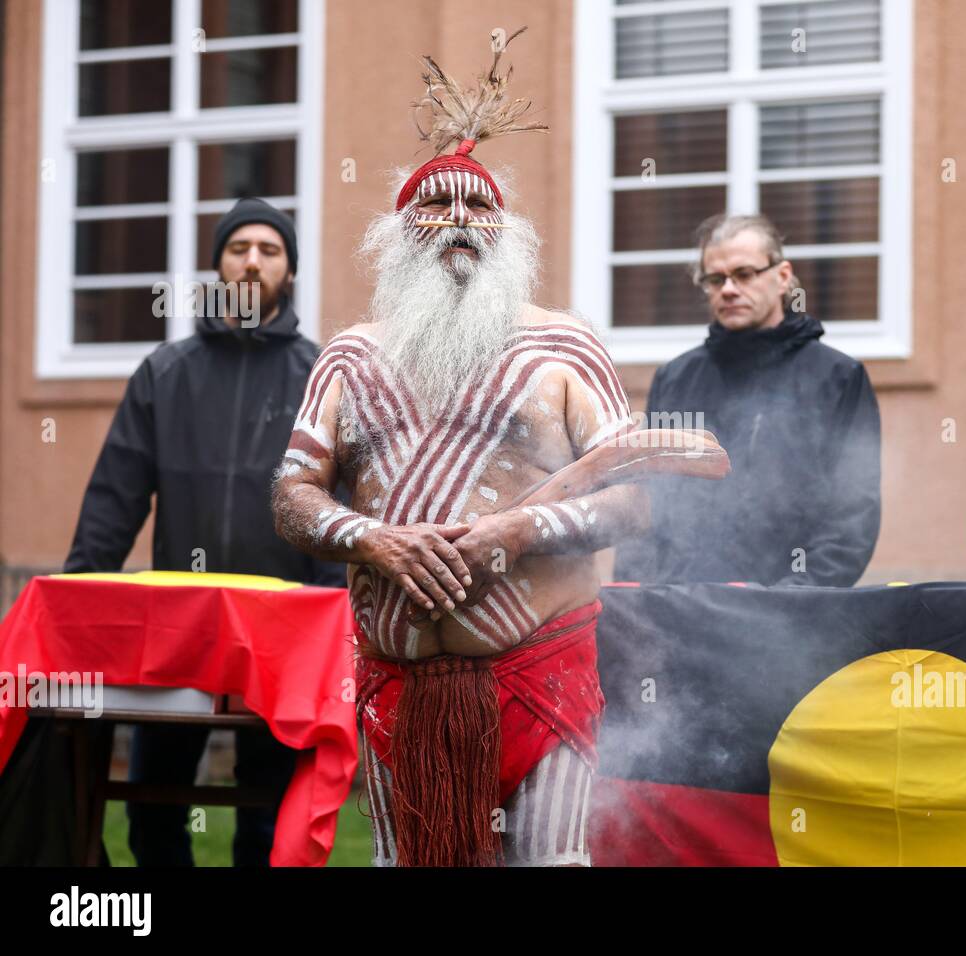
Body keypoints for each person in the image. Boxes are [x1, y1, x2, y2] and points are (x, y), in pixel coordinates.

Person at [270, 34, 726, 867]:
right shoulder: (349, 356)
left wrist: (517, 534)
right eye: (434, 208)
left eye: (479, 208)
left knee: (548, 864)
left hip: (539, 674)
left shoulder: (564, 347)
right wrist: (370, 537)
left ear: (509, 233)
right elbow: (294, 493)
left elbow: (631, 499)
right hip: (397, 684)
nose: (457, 222)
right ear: (399, 235)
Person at [63, 196, 346, 866]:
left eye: (269, 249)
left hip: (285, 630)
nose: (252, 260)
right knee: (151, 809)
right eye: (238, 247)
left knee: (269, 811)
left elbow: (343, 503)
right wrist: (78, 591)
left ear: (290, 270)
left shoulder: (320, 380)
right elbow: (115, 497)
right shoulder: (166, 372)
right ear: (218, 264)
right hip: (179, 627)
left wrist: (337, 604)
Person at [613, 213, 881, 587]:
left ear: (782, 276)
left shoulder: (837, 377)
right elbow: (644, 496)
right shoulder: (675, 378)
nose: (729, 289)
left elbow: (853, 515)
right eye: (715, 279)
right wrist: (638, 594)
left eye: (744, 274)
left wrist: (797, 597)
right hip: (678, 606)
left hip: (789, 612)